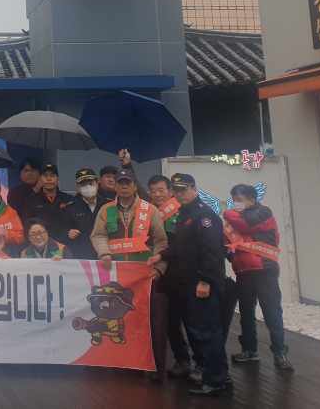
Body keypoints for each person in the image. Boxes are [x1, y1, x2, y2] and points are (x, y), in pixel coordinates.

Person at [148, 173, 231, 397]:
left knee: (208, 332)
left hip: (202, 283)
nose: (180, 194)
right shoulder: (186, 213)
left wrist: (205, 280)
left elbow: (212, 251)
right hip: (189, 283)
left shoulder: (204, 215)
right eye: (177, 190)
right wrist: (161, 255)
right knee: (201, 330)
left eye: (184, 189)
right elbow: (180, 247)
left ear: (194, 188)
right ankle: (216, 374)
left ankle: (216, 380)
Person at [91, 167, 169, 381]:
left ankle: (154, 368)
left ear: (135, 186)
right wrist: (104, 252)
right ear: (115, 186)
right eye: (120, 183)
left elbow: (161, 241)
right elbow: (98, 235)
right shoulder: (106, 210)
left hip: (145, 276)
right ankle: (125, 364)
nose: (124, 187)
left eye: (128, 183)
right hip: (117, 277)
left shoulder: (149, 210)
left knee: (150, 323)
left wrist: (159, 268)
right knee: (122, 320)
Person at [224, 183, 292, 372]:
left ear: (252, 199)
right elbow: (227, 243)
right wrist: (232, 256)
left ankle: (280, 353)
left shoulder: (263, 212)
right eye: (234, 200)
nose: (236, 204)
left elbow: (245, 225)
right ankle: (249, 350)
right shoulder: (235, 218)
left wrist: (227, 213)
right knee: (246, 313)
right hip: (244, 272)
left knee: (272, 313)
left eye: (239, 200)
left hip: (265, 270)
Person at [147, 175, 195, 381]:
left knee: (191, 321)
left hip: (182, 274)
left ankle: (201, 363)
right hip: (163, 274)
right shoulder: (150, 212)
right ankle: (182, 360)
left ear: (170, 191)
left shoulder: (180, 211)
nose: (157, 194)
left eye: (161, 190)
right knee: (170, 321)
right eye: (153, 191)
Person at [20, 164, 74, 246]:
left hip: (66, 245)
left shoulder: (69, 199)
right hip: (40, 245)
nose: (49, 179)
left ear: (57, 179)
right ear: (40, 179)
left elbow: (75, 223)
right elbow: (27, 226)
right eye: (45, 176)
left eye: (52, 176)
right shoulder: (31, 200)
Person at [64, 168, 106, 260]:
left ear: (97, 184)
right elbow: (65, 232)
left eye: (91, 183)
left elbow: (114, 229)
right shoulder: (70, 208)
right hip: (82, 258)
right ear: (78, 188)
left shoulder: (108, 205)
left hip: (106, 256)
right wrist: (68, 233)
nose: (88, 187)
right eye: (83, 184)